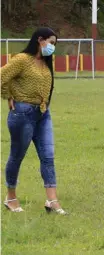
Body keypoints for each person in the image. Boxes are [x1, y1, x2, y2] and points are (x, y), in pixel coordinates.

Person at [0, 27, 67, 214]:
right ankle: (11, 197)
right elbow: (2, 76)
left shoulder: (45, 63)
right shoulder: (22, 60)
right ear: (40, 40)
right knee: (17, 156)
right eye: (51, 42)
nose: (52, 47)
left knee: (48, 156)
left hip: (43, 114)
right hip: (23, 114)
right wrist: (8, 95)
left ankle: (52, 201)